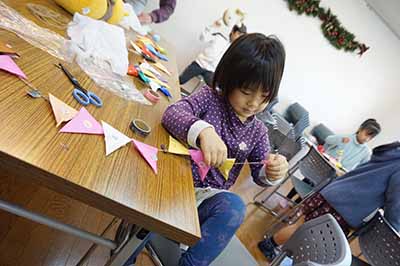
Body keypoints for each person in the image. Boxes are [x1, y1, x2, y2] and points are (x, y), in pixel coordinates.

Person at [162, 33, 288, 265]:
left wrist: (272, 172)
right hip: (168, 181)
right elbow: (172, 113)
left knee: (234, 207)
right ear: (229, 78)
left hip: (202, 199)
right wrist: (204, 132)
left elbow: (260, 173)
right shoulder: (209, 98)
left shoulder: (258, 131)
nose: (254, 103)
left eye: (264, 97)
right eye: (247, 92)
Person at [258, 141, 400, 261]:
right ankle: (270, 246)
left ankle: (272, 245)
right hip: (344, 207)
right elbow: (395, 205)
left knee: (300, 227)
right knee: (310, 238)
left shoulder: (393, 152)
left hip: (331, 192)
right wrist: (395, 228)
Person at [179, 23, 247, 87]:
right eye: (238, 34)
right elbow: (202, 38)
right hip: (199, 64)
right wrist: (212, 26)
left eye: (241, 36)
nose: (239, 37)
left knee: (214, 91)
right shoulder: (219, 37)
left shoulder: (234, 49)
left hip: (211, 72)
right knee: (181, 80)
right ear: (233, 31)